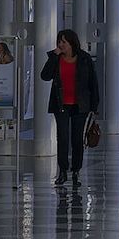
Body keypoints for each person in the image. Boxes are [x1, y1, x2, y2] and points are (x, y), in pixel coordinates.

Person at [40, 29, 100, 186]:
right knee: (63, 138)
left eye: (64, 42)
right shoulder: (56, 59)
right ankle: (63, 171)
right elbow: (44, 76)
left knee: (77, 139)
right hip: (61, 104)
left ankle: (76, 171)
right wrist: (53, 55)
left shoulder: (85, 59)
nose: (61, 44)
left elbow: (93, 83)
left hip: (80, 105)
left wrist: (94, 105)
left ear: (72, 43)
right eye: (59, 41)